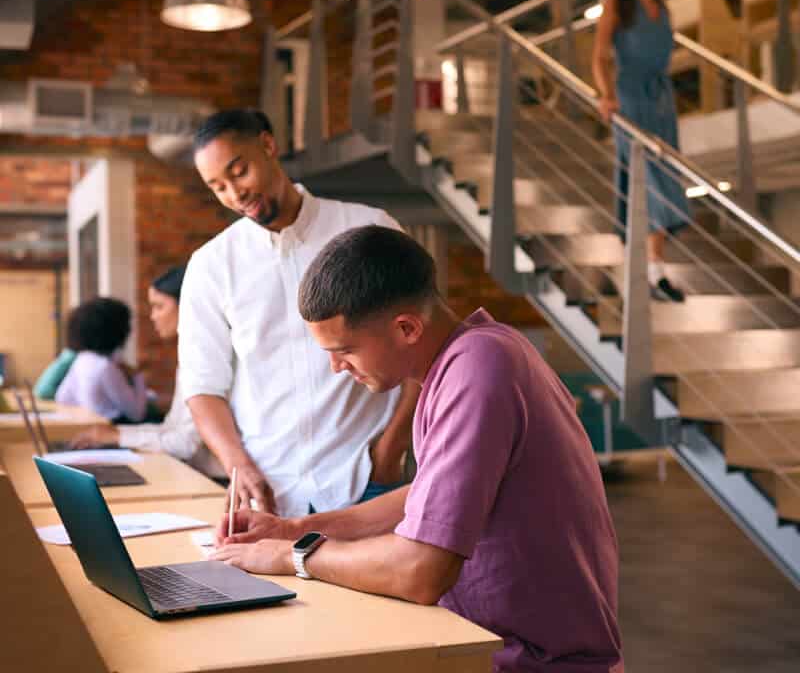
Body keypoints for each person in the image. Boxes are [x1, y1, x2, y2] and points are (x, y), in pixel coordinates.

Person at [211, 226, 624, 673]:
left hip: (536, 662)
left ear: (406, 328)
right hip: (490, 644)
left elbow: (419, 570)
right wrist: (292, 529)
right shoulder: (472, 357)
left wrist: (291, 558)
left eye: (345, 350)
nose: (335, 368)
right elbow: (428, 499)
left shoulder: (479, 371)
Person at [180, 109, 417, 516]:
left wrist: (390, 449)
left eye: (239, 172)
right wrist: (238, 466)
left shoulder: (368, 228)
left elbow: (420, 343)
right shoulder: (211, 265)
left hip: (366, 478)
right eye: (218, 187)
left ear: (268, 145)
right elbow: (203, 387)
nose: (234, 194)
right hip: (269, 493)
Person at [592, 0, 689, 303]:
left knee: (665, 179)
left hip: (661, 100)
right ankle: (649, 269)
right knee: (644, 181)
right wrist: (606, 94)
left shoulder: (662, 8)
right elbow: (599, 56)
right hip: (630, 98)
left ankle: (653, 268)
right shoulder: (617, 5)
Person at [69, 267, 224, 479]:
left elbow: (183, 443)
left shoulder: (207, 357)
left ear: (188, 305)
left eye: (159, 306)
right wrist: (116, 435)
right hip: (191, 471)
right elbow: (172, 428)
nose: (152, 317)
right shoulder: (191, 356)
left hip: (211, 480)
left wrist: (118, 436)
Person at [55, 297, 147, 422]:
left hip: (89, 428)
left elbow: (62, 397)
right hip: (113, 431)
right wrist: (138, 377)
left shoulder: (82, 359)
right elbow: (137, 414)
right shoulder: (105, 367)